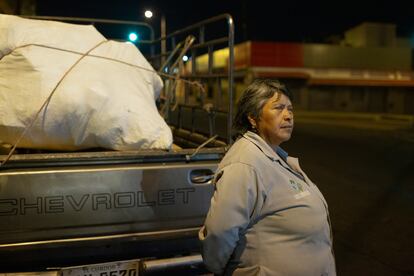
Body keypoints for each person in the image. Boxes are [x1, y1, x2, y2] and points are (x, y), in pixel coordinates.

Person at [199, 79, 336, 275]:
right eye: (278, 108)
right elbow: (220, 232)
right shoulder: (245, 164)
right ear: (253, 118)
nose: (288, 116)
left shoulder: (271, 155)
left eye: (290, 109)